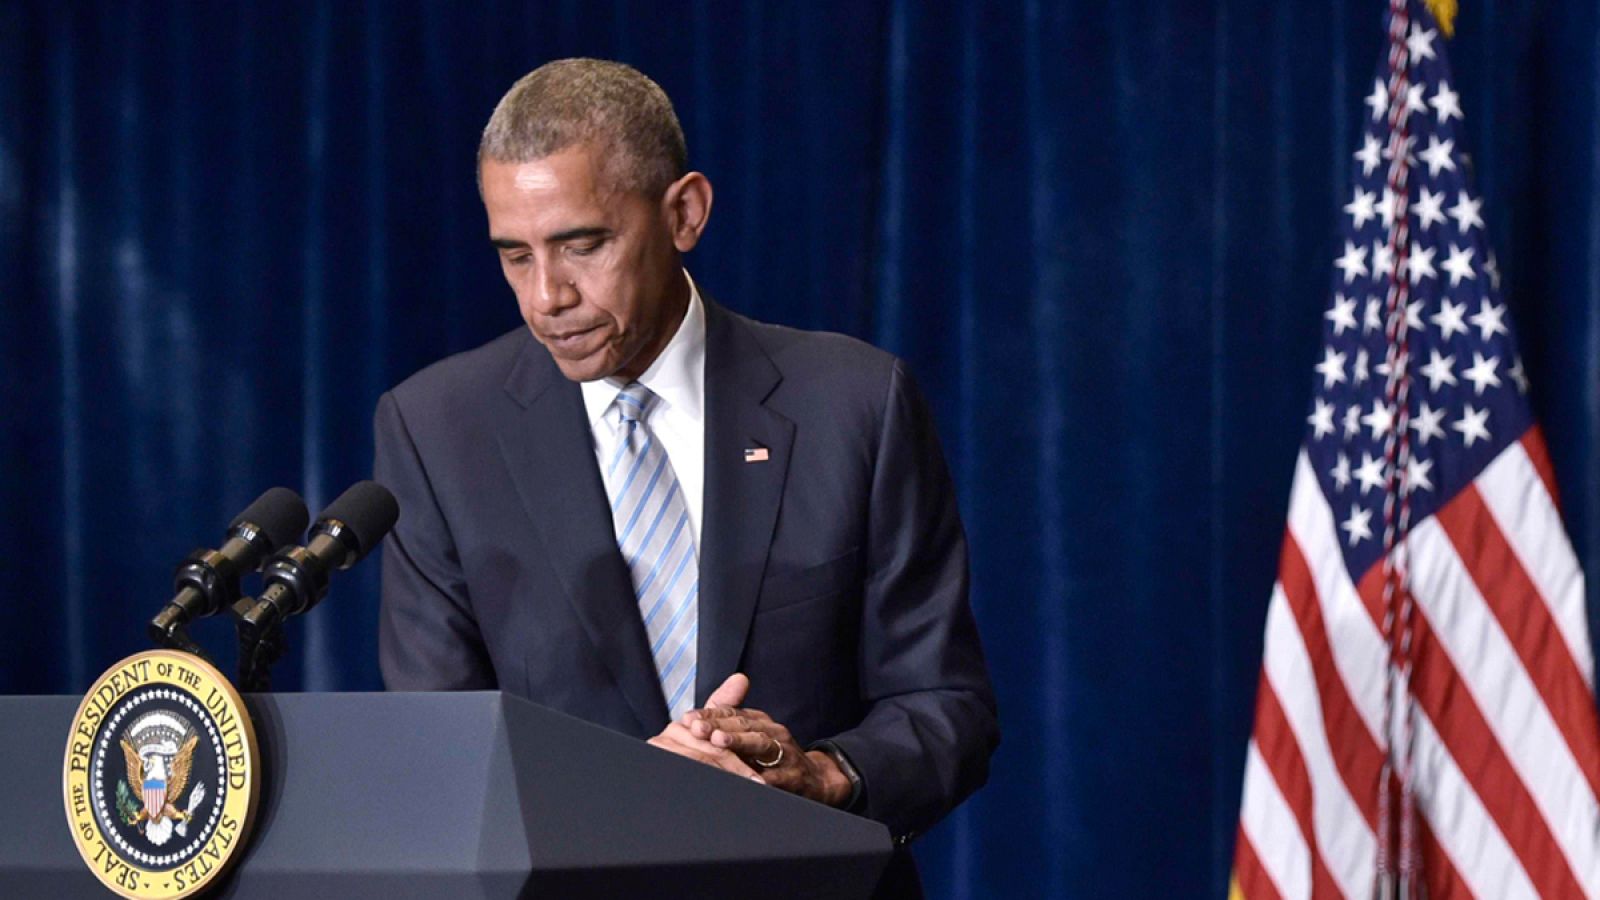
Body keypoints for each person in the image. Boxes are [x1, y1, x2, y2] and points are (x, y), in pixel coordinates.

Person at [374, 58, 997, 896]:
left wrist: (823, 774)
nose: (545, 297)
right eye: (514, 256)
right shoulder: (438, 430)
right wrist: (633, 798)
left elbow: (945, 706)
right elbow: (441, 761)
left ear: (684, 213)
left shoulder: (854, 405)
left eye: (582, 244)